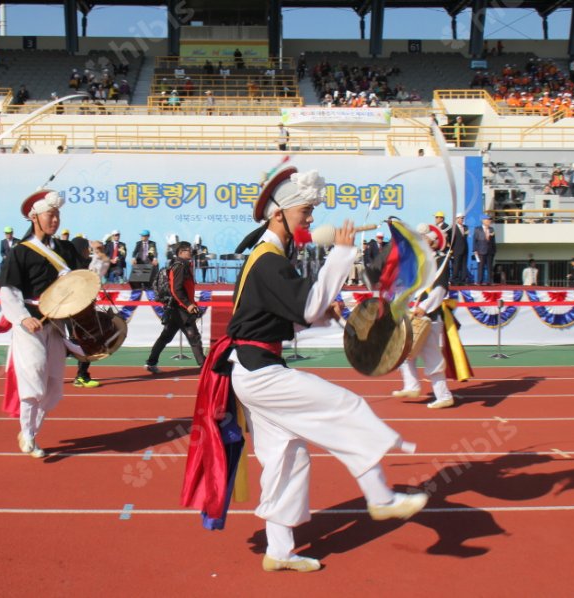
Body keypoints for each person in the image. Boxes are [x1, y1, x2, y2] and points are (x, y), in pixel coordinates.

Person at [182, 167, 428, 573]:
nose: (311, 220)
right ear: (280, 215)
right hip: (260, 372)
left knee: (287, 457)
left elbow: (278, 317)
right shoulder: (268, 261)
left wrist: (316, 315)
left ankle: (279, 550)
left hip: (254, 368)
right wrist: (343, 254)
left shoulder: (270, 257)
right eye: (306, 212)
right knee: (344, 408)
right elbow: (308, 305)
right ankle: (380, 496)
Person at [0, 189, 81, 458]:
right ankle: (29, 434)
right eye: (50, 215)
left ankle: (30, 431)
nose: (55, 220)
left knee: (53, 385)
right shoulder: (20, 252)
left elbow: (83, 279)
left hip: (57, 325)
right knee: (33, 374)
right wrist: (23, 317)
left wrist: (100, 263)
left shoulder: (66, 249)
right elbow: (8, 290)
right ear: (34, 217)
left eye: (57, 215)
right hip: (30, 323)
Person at [393, 224, 471, 409]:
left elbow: (439, 290)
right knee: (402, 352)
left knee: (431, 356)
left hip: (429, 316)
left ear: (433, 242)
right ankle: (411, 385)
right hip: (412, 314)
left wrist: (424, 308)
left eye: (424, 238)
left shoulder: (441, 260)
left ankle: (443, 396)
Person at [145, 241, 206, 372]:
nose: (191, 252)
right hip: (180, 308)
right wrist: (188, 304)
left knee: (166, 336)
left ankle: (151, 362)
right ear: (180, 253)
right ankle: (204, 366)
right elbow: (176, 289)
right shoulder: (180, 266)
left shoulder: (183, 264)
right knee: (193, 336)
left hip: (176, 308)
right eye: (188, 250)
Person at [69, 235, 102, 389]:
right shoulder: (79, 267)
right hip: (77, 311)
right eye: (85, 249)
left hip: (73, 311)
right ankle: (82, 376)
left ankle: (81, 375)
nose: (86, 251)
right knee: (85, 342)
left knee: (71, 344)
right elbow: (95, 272)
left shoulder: (71, 265)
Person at [472, 214, 496, 285]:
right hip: (481, 250)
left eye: (490, 219)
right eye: (487, 219)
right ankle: (479, 281)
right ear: (483, 220)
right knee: (481, 266)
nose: (489, 221)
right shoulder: (477, 229)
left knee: (489, 267)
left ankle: (489, 281)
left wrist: (494, 250)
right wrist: (475, 250)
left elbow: (493, 240)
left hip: (490, 250)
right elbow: (475, 240)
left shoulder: (491, 229)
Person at [449, 212, 469, 285]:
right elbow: (451, 239)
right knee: (456, 265)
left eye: (463, 218)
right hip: (456, 249)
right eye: (461, 218)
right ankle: (454, 279)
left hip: (465, 249)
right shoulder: (453, 228)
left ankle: (463, 280)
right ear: (456, 219)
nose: (462, 219)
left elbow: (465, 237)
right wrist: (451, 249)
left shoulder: (465, 227)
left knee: (464, 265)